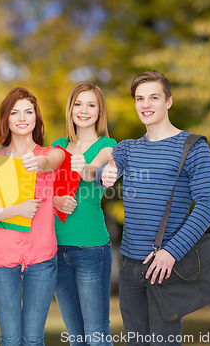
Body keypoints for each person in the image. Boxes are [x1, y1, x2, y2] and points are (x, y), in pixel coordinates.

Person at [96, 71, 210, 345]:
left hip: (166, 266)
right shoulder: (128, 148)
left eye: (153, 97)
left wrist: (171, 253)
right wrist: (103, 174)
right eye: (140, 99)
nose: (145, 104)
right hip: (129, 266)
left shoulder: (193, 147)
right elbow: (106, 173)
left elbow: (208, 205)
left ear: (169, 101)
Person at [0, 87, 65, 346]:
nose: (22, 118)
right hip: (2, 258)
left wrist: (41, 164)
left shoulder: (49, 155)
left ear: (36, 117)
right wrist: (15, 210)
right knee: (11, 339)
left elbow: (56, 160)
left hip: (42, 256)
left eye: (28, 111)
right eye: (15, 112)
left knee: (34, 339)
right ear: (6, 118)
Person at [52, 82, 117, 346]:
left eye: (91, 105)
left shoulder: (108, 145)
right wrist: (56, 200)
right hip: (56, 248)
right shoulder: (57, 145)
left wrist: (85, 167)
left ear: (100, 111)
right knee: (75, 336)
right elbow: (43, 190)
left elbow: (95, 172)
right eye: (78, 104)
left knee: (97, 333)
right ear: (70, 109)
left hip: (92, 249)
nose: (84, 110)